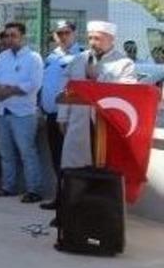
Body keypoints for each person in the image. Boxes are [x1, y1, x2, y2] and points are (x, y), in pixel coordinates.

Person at [57, 21, 137, 172]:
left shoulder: (124, 64)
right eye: (90, 38)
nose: (93, 43)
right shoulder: (79, 60)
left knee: (104, 166)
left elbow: (127, 93)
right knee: (75, 165)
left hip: (107, 123)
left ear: (111, 39)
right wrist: (62, 117)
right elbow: (65, 88)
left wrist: (97, 79)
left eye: (98, 38)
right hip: (78, 120)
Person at [0, 22, 45, 202]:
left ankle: (34, 190)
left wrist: (10, 90)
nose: (10, 39)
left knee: (27, 152)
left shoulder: (33, 58)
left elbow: (34, 84)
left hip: (23, 112)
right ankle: (7, 186)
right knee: (5, 152)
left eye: (14, 36)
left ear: (23, 37)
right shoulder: (2, 57)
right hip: (1, 111)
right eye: (8, 35)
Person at [39, 20, 82, 209]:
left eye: (66, 32)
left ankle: (71, 201)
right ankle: (60, 198)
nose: (63, 37)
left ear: (74, 33)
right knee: (56, 159)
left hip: (69, 118)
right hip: (50, 115)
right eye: (59, 33)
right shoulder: (52, 57)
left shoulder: (81, 56)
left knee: (70, 160)